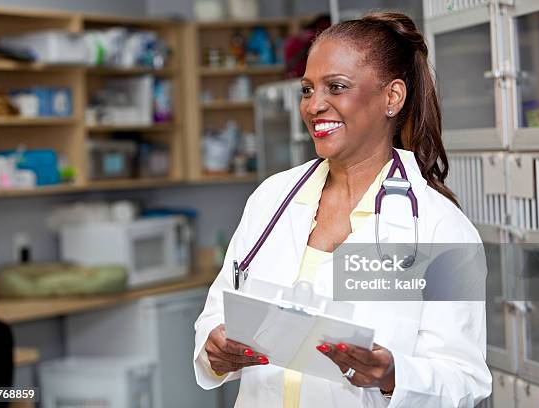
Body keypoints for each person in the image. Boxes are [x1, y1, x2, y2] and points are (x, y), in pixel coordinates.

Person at [194, 12, 492, 407]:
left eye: (336, 87)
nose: (315, 105)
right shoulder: (272, 199)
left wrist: (391, 375)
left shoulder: (439, 228)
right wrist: (214, 348)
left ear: (393, 97)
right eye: (307, 89)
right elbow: (217, 311)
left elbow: (465, 378)